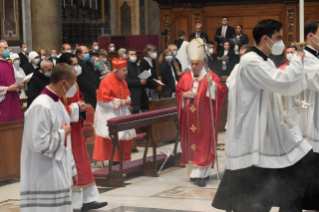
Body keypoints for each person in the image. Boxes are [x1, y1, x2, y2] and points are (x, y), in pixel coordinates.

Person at [212, 19, 314, 212]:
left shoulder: (262, 60)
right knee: (255, 189)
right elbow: (280, 81)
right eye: (278, 38)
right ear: (266, 38)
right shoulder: (250, 60)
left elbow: (277, 88)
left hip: (269, 124)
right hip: (255, 128)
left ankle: (289, 204)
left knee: (300, 158)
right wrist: (298, 60)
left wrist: (298, 77)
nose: (281, 42)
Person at [20, 63, 78, 212]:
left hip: (60, 167)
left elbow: (67, 143)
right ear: (63, 82)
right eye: (72, 84)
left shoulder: (57, 102)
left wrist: (72, 169)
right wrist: (63, 133)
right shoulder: (41, 106)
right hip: (44, 172)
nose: (74, 88)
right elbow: (38, 142)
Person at [58, 53, 108, 212]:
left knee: (83, 164)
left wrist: (81, 106)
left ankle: (88, 199)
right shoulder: (58, 85)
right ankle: (74, 203)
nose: (77, 67)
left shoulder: (75, 83)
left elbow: (79, 99)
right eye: (73, 64)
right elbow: (54, 109)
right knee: (73, 166)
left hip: (76, 131)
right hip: (65, 133)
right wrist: (75, 108)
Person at [175, 38, 227, 187]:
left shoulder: (211, 76)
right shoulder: (185, 77)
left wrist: (212, 86)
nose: (193, 66)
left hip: (205, 120)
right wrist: (185, 95)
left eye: (196, 64)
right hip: (189, 120)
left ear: (203, 64)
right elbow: (178, 91)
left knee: (203, 146)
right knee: (192, 146)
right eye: (191, 64)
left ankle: (201, 175)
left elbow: (221, 92)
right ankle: (194, 172)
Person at [93, 58, 136, 163]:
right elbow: (102, 100)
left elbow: (127, 94)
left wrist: (128, 100)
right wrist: (121, 102)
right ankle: (115, 162)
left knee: (124, 137)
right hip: (109, 113)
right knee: (113, 138)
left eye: (127, 70)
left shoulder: (123, 81)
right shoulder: (106, 81)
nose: (126, 73)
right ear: (116, 71)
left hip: (121, 112)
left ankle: (124, 160)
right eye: (124, 70)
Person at [0, 40, 23, 123]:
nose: (8, 50)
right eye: (5, 48)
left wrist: (21, 84)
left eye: (8, 48)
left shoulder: (9, 65)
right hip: (4, 102)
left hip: (14, 99)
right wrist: (7, 89)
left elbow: (16, 79)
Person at [125, 48, 149, 113]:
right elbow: (127, 80)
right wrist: (139, 82)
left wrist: (144, 78)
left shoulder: (136, 65)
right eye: (132, 54)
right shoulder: (126, 65)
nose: (134, 56)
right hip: (132, 94)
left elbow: (138, 76)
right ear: (127, 56)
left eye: (135, 54)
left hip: (140, 93)